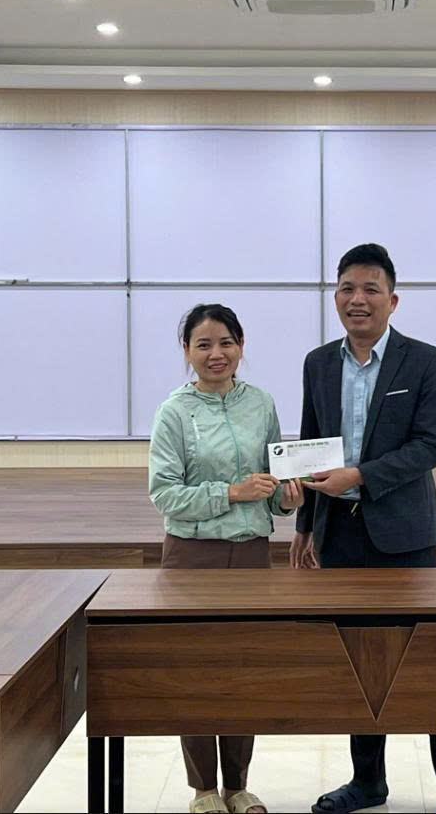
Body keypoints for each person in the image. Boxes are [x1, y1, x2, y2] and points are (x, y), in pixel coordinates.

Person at [290, 244, 436, 814]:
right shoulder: (319, 363)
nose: (358, 299)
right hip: (339, 536)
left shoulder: (427, 362)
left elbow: (430, 446)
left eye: (370, 289)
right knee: (358, 663)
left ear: (392, 301)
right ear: (335, 298)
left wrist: (361, 476)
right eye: (347, 288)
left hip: (406, 536)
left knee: (432, 659)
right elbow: (310, 444)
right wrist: (304, 525)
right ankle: (368, 782)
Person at [148, 303, 304, 814]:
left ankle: (238, 786)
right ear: (187, 352)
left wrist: (287, 499)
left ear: (241, 346)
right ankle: (203, 790)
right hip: (192, 557)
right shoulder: (174, 411)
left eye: (226, 343)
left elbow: (274, 486)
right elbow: (164, 494)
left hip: (252, 553)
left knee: (244, 669)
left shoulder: (261, 404)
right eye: (204, 345)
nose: (217, 354)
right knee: (195, 671)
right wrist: (231, 493)